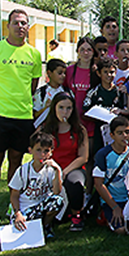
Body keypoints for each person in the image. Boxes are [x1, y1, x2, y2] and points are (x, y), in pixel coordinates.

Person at [0, 9, 43, 225]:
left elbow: (33, 85)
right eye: (16, 23)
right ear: (8, 26)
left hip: (23, 116)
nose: (20, 26)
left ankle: (12, 204)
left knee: (16, 159)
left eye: (24, 23)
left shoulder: (34, 54)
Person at [42, 92, 89, 232]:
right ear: (54, 108)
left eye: (69, 108)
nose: (65, 112)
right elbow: (40, 153)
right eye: (61, 107)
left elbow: (83, 157)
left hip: (73, 168)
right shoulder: (45, 129)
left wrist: (64, 172)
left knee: (74, 182)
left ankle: (77, 215)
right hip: (50, 168)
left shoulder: (79, 130)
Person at [8, 131, 64, 238]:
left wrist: (57, 171)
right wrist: (18, 213)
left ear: (51, 152)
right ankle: (34, 227)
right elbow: (14, 194)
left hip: (41, 206)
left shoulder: (51, 169)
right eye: (38, 150)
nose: (42, 155)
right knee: (22, 224)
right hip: (25, 209)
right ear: (30, 150)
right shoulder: (22, 171)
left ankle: (45, 226)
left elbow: (57, 192)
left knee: (58, 201)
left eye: (46, 151)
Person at [93, 116, 129, 234]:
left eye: (127, 132)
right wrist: (114, 207)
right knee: (121, 230)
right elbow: (99, 184)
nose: (124, 136)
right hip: (111, 200)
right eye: (120, 133)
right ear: (112, 135)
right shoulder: (103, 155)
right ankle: (105, 214)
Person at [83, 57, 129, 156]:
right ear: (99, 73)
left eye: (112, 72)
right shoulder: (93, 92)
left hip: (117, 133)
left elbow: (127, 110)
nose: (109, 75)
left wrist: (120, 111)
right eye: (105, 72)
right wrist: (98, 114)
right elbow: (85, 111)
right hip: (99, 132)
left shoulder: (120, 92)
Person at [65, 37, 99, 140]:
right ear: (77, 51)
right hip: (73, 120)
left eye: (89, 50)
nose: (86, 53)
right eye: (82, 50)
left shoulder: (97, 72)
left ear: (93, 52)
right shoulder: (69, 71)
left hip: (91, 122)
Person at [32, 58, 70, 127]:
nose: (63, 76)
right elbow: (34, 115)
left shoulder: (67, 92)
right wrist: (46, 107)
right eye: (59, 73)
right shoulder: (41, 93)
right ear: (49, 73)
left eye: (64, 73)